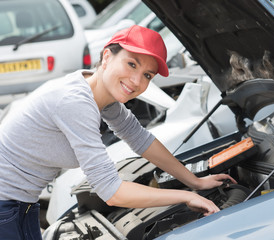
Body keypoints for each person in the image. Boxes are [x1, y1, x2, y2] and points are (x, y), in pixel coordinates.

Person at [0, 25, 236, 239]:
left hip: (22, 203)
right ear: (106, 56)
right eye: (131, 64)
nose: (135, 81)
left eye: (147, 75)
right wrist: (187, 196)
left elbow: (140, 139)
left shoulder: (100, 93)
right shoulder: (75, 102)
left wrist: (194, 181)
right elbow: (112, 192)